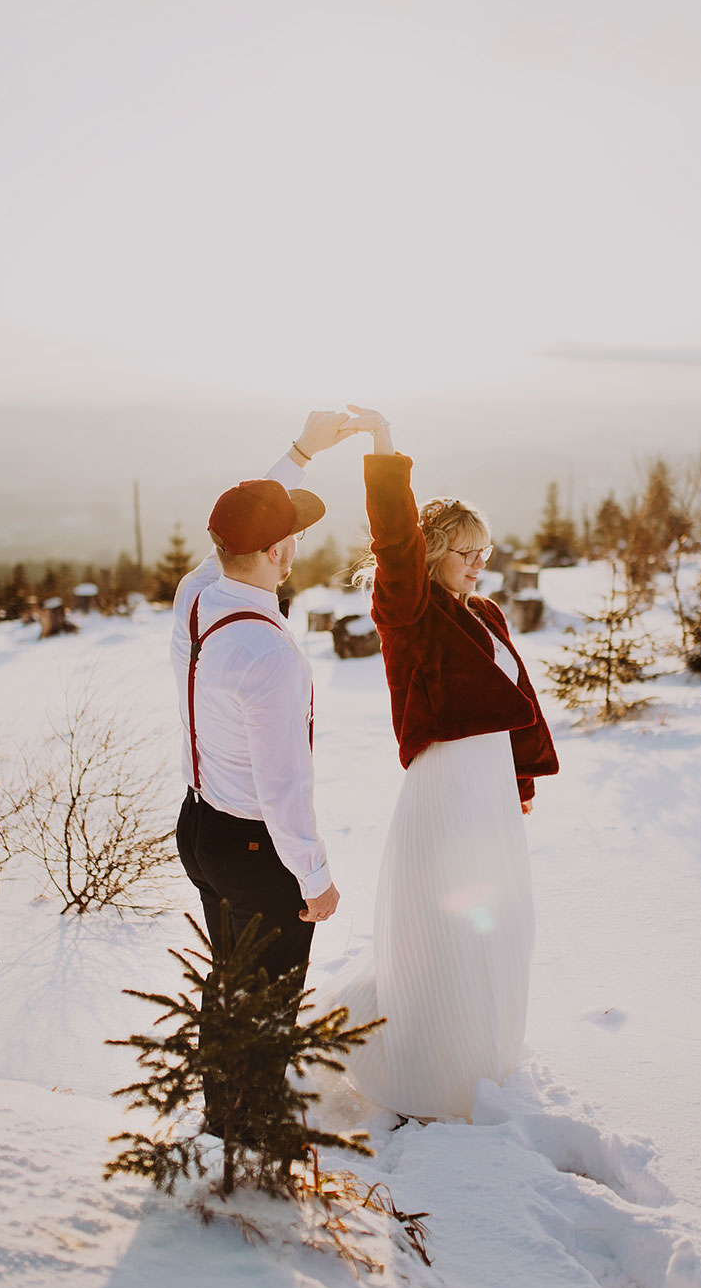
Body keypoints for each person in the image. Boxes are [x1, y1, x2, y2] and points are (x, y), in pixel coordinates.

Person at [325, 405, 559, 1122]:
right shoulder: (409, 606)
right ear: (429, 552)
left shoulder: (485, 612)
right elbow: (391, 537)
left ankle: (481, 1057)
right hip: (442, 788)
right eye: (464, 549)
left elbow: (507, 701)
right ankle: (433, 1076)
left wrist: (518, 780)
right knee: (444, 933)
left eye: (483, 549)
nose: (477, 561)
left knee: (498, 922)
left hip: (486, 789)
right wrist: (384, 446)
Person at [171, 410, 350, 1119]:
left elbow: (237, 530)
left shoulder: (198, 598)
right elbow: (283, 785)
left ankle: (225, 1122)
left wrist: (302, 453)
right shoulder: (269, 655)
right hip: (253, 846)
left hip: (199, 827)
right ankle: (248, 1139)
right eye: (292, 537)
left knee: (230, 987)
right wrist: (314, 875)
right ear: (276, 553)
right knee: (265, 1008)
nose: (297, 544)